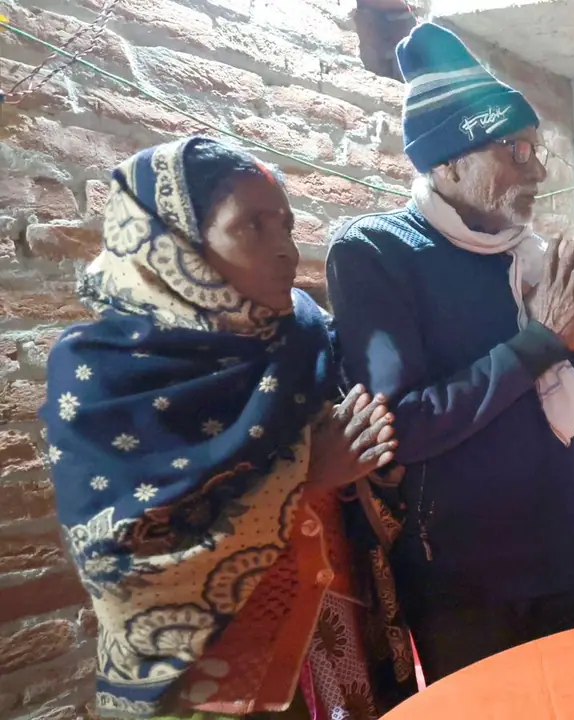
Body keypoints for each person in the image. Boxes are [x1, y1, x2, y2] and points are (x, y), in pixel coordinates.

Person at [39, 137, 417, 718]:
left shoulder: (303, 333)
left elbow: (357, 436)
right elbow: (118, 557)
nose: (287, 251)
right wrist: (303, 475)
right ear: (174, 241)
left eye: (286, 226)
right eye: (254, 227)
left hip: (334, 617)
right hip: (212, 671)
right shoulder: (103, 372)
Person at [325, 22, 574, 683]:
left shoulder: (525, 254)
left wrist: (569, 333)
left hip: (559, 554)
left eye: (537, 150)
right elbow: (401, 426)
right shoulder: (377, 252)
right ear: (447, 162)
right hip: (462, 575)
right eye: (514, 150)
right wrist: (541, 341)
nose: (536, 170)